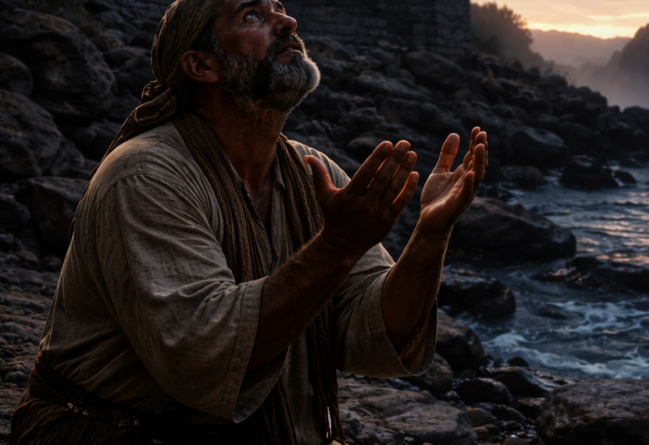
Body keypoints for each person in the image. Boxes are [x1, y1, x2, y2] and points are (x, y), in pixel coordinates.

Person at [10, 0, 488, 443]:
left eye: (280, 8)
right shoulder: (146, 175)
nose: (287, 21)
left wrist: (430, 236)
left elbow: (371, 330)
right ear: (202, 65)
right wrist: (337, 245)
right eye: (252, 15)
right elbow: (202, 354)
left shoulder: (310, 172)